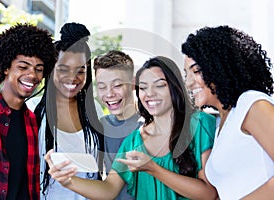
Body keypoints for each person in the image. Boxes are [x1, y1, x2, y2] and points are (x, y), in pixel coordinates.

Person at [45, 56, 218, 200]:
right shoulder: (133, 140)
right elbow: (109, 189)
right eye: (143, 87)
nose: (149, 93)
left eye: (159, 85)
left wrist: (153, 168)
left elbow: (209, 193)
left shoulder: (200, 123)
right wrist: (69, 181)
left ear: (175, 87)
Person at [181, 25, 274, 199]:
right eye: (187, 74)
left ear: (219, 67)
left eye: (196, 71)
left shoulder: (252, 104)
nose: (189, 82)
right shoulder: (223, 125)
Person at [0, 23, 56, 199]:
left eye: (39, 69)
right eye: (23, 67)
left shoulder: (32, 120)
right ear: (6, 67)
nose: (32, 75)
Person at [33, 22, 104, 200]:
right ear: (51, 70)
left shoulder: (94, 110)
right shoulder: (32, 110)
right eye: (63, 69)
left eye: (80, 70)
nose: (73, 77)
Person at [93, 50, 143, 199]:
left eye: (117, 85)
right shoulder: (101, 126)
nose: (109, 94)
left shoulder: (150, 125)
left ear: (133, 83)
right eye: (102, 86)